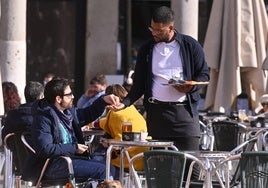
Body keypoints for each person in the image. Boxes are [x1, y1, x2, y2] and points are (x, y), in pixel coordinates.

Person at [119, 6, 210, 151]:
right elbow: (139, 85)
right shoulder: (146, 49)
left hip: (185, 114)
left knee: (192, 165)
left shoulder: (190, 45)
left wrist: (191, 86)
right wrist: (124, 103)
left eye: (159, 31)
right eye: (152, 29)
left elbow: (204, 75)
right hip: (157, 115)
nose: (154, 33)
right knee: (159, 166)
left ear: (171, 28)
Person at [22, 78, 121, 183]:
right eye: (69, 95)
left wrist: (103, 100)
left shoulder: (67, 113)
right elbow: (45, 149)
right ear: (59, 99)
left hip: (69, 160)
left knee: (110, 168)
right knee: (105, 171)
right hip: (52, 165)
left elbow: (87, 114)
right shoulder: (43, 118)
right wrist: (74, 148)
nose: (73, 97)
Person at [92, 84, 148, 171]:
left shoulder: (116, 113)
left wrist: (105, 142)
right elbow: (106, 122)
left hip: (126, 159)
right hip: (141, 157)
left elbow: (119, 141)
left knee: (95, 156)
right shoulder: (131, 108)